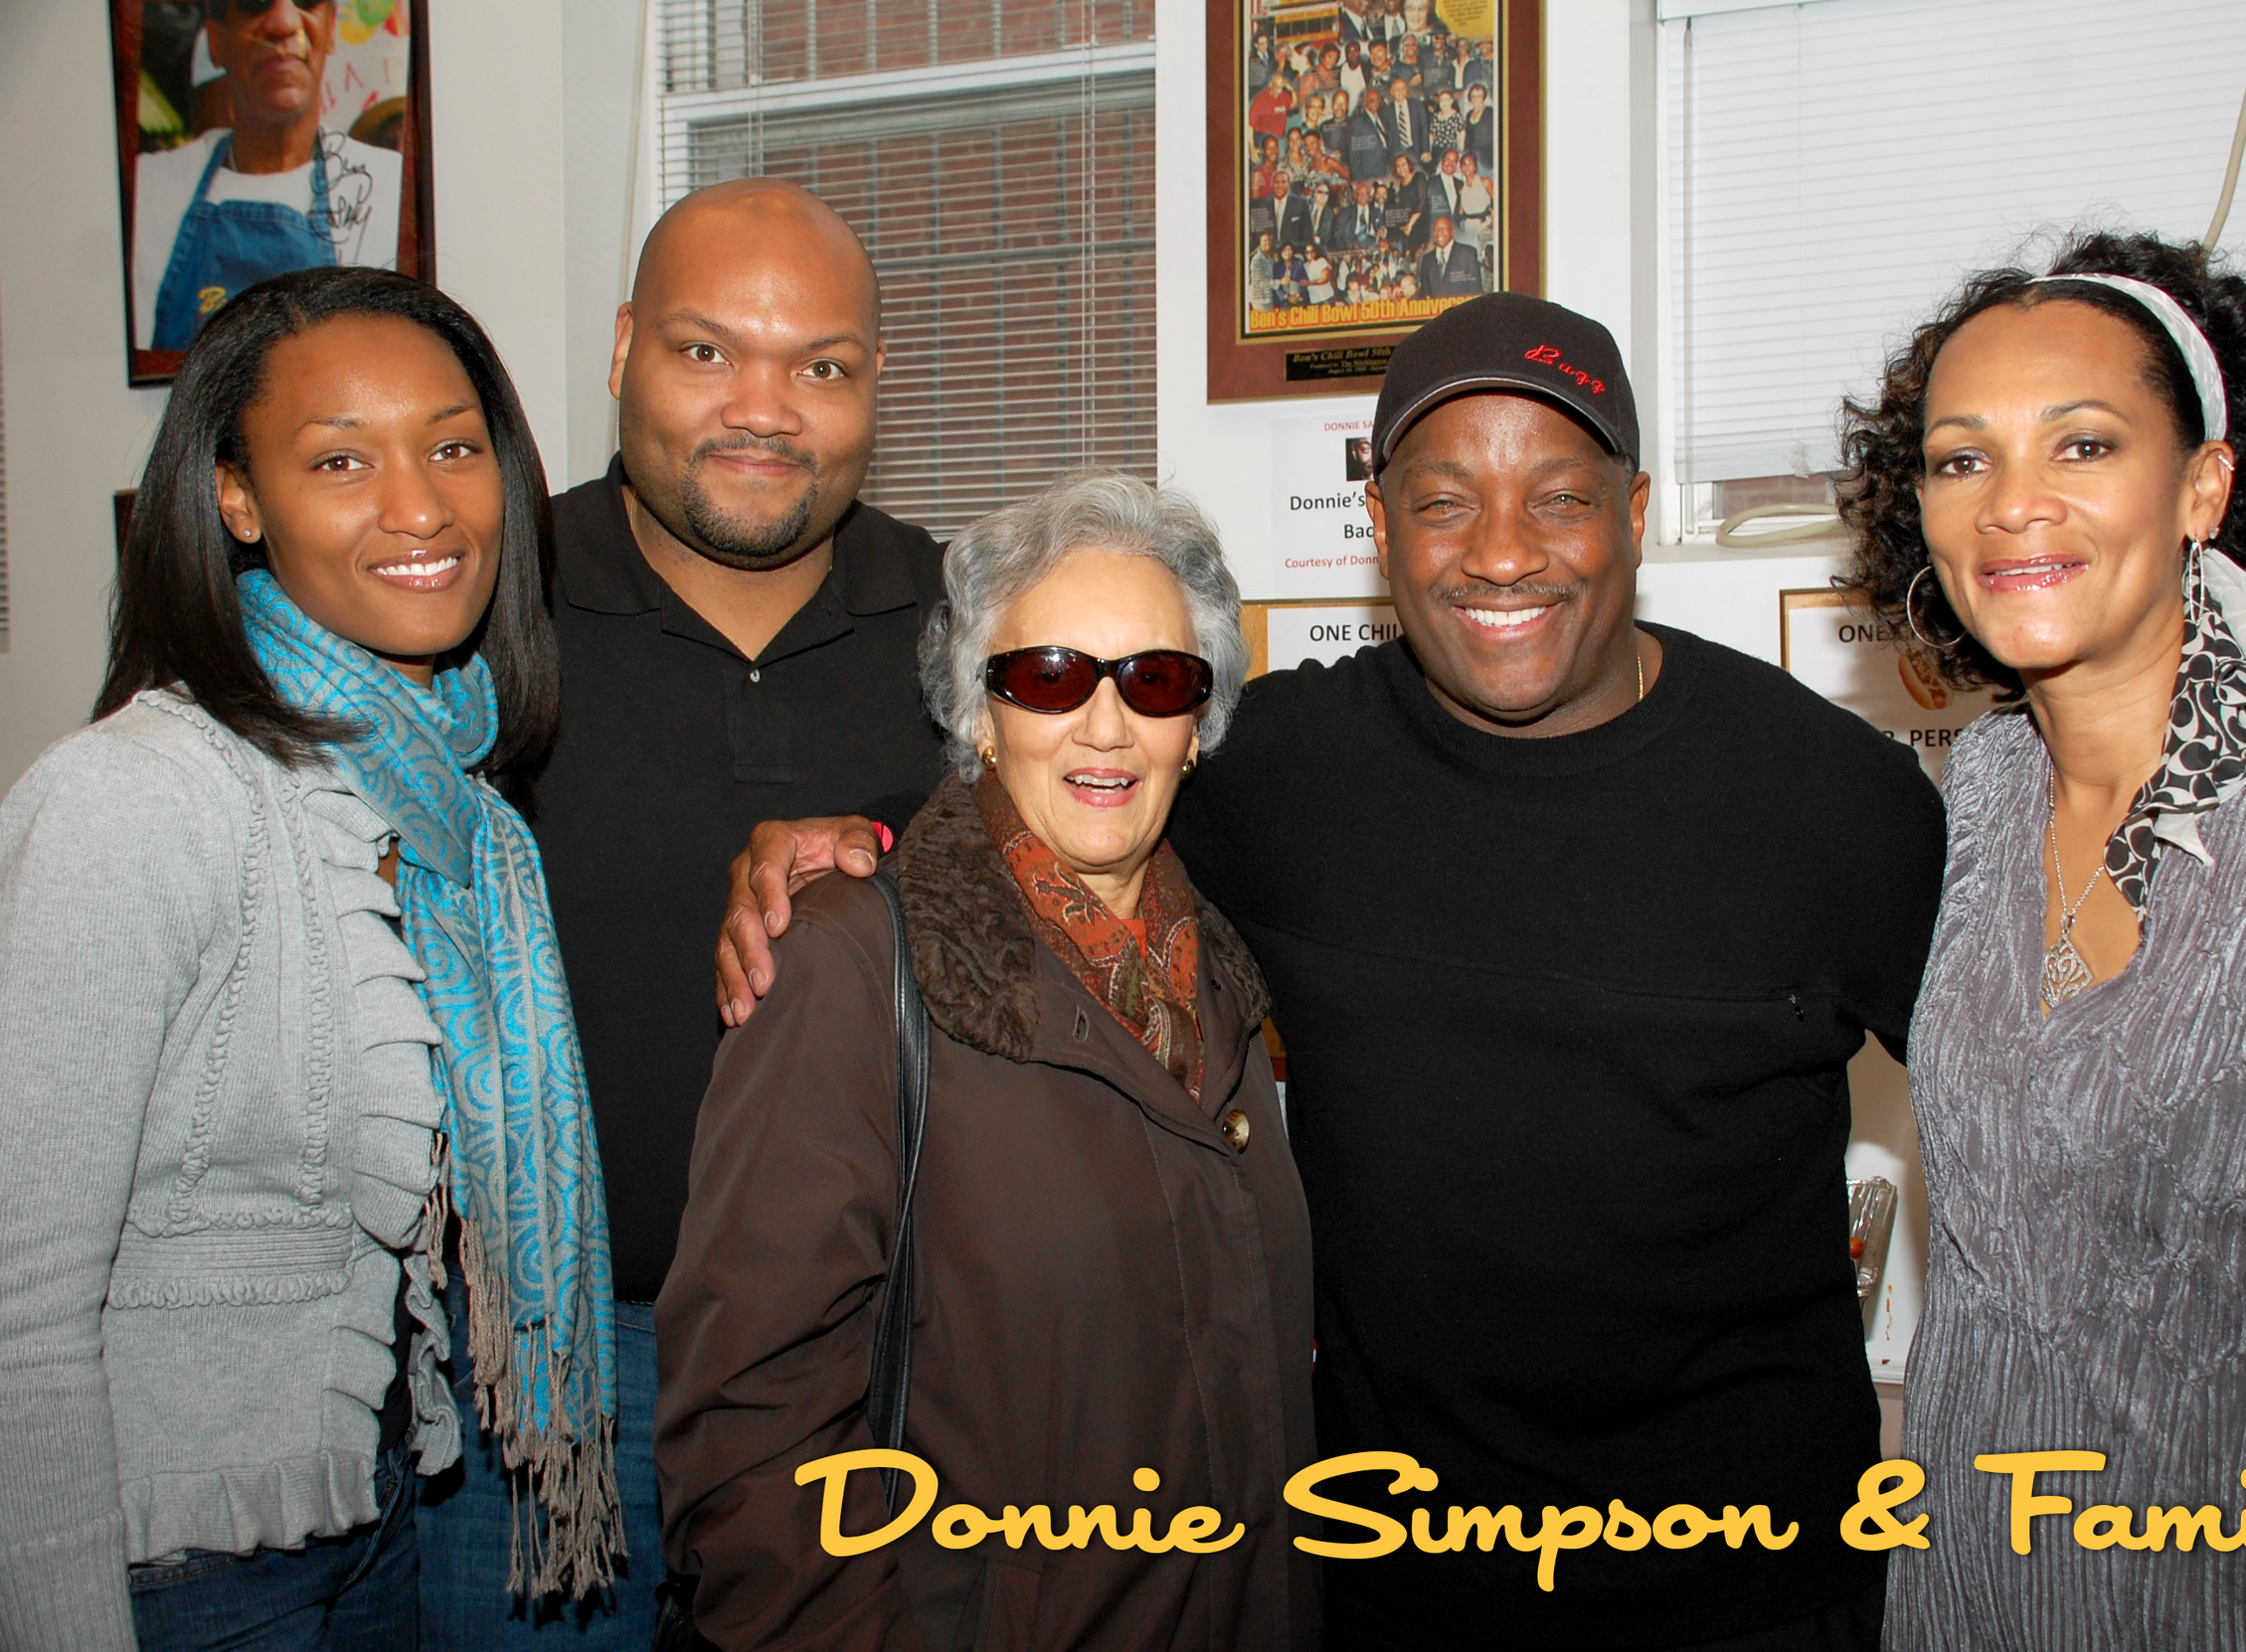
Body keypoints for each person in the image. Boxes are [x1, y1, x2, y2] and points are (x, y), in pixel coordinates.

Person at [719, 294, 1946, 1651]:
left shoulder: (1835, 803)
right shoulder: (1281, 772)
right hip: (1386, 1591)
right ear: (1377, 526)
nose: (1500, 553)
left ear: (1637, 511)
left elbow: (2035, 1160)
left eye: (1557, 498)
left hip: (1751, 1594)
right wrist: (847, 843)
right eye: (1442, 501)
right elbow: (1059, 779)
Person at [1836, 232, 2246, 1644]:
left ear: (2205, 484)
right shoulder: (1981, 797)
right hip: (1975, 1594)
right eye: (1962, 458)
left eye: (2082, 443)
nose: (2014, 503)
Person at [0, 265, 615, 1649]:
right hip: (172, 1576)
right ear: (235, 497)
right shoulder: (140, 795)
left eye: (455, 446)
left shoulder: (440, 802)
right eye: (341, 459)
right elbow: (17, 1314)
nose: (420, 504)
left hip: (367, 1525)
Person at [416, 179, 951, 1646]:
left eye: (821, 367)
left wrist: (892, 851)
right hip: (529, 1397)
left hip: (875, 1382)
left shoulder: (974, 629)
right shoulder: (472, 608)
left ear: (876, 387)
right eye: (708, 353)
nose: (764, 410)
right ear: (621, 350)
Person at [657, 473, 1318, 1650]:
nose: (1106, 725)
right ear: (977, 710)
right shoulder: (851, 963)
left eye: (1155, 681)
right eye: (1053, 677)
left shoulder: (1217, 973)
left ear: (1198, 727)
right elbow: (750, 1439)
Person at [130, 0, 404, 352]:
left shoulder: (388, 187)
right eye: (254, 2)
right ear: (217, 41)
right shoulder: (150, 190)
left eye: (306, 1)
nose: (283, 23)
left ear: (331, 27)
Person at [1415, 213, 1484, 299]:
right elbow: (1424, 296)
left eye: (1443, 228)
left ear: (1452, 232)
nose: (1439, 232)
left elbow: (1476, 291)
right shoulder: (1426, 259)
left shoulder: (1468, 254)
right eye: (1436, 229)